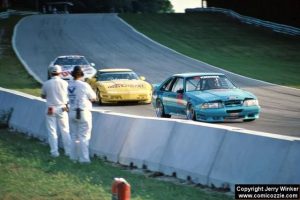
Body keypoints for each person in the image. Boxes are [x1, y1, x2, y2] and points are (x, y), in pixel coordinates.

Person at [41, 65, 71, 157]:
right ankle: (68, 151)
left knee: (52, 131)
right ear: (60, 73)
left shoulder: (46, 83)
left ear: (51, 73)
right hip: (62, 108)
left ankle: (54, 152)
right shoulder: (65, 83)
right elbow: (68, 95)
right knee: (65, 130)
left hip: (51, 108)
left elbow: (43, 96)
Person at [68, 66, 96, 163]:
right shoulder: (84, 85)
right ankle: (84, 159)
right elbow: (93, 97)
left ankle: (73, 157)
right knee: (83, 137)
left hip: (71, 112)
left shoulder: (69, 85)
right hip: (83, 112)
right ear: (82, 75)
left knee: (74, 136)